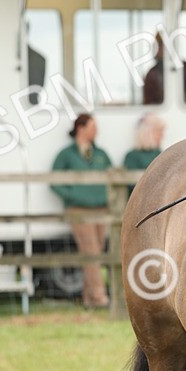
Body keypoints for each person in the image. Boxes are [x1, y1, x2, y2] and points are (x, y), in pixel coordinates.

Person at [51, 113, 113, 308]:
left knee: (96, 252)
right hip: (79, 210)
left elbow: (112, 176)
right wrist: (72, 196)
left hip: (101, 209)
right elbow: (54, 180)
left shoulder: (101, 154)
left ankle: (89, 298)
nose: (97, 131)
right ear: (81, 128)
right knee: (91, 252)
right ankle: (101, 297)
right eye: (93, 127)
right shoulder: (67, 155)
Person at [142, 32, 186, 105]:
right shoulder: (151, 74)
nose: (158, 50)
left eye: (160, 46)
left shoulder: (184, 67)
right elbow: (148, 102)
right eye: (156, 46)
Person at [123, 114, 165, 194]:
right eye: (159, 131)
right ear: (147, 133)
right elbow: (132, 184)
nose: (162, 135)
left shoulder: (160, 153)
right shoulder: (132, 156)